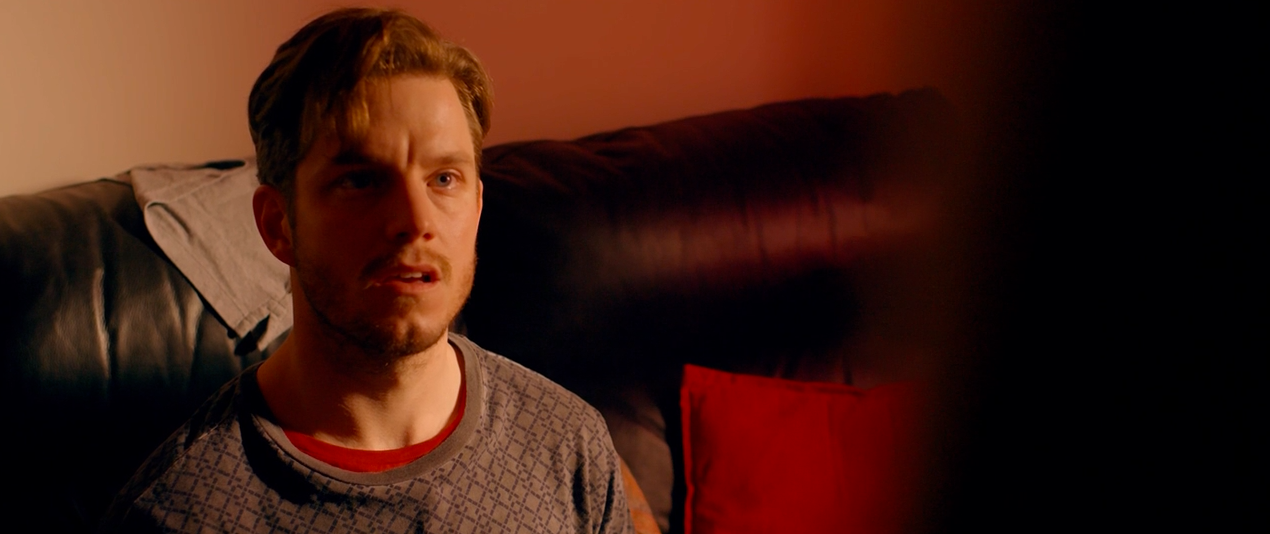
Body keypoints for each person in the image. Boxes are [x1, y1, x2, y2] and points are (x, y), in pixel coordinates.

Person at [100, 8, 633, 533]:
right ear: (278, 224)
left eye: (444, 179)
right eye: (361, 181)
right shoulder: (175, 512)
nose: (415, 222)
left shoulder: (569, 442)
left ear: (476, 207)